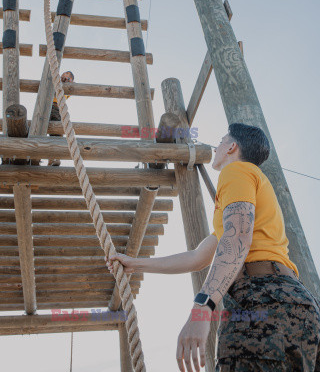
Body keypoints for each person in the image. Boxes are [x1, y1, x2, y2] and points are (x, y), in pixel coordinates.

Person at [107, 123, 320, 371]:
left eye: (221, 140)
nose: (216, 147)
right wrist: (137, 264)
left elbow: (237, 239)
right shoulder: (250, 190)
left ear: (232, 147)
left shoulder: (236, 172)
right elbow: (198, 257)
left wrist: (202, 309)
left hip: (261, 300)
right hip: (299, 306)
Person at [48, 70, 74, 167]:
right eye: (64, 74)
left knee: (56, 134)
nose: (64, 76)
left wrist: (66, 81)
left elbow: (68, 87)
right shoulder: (56, 81)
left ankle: (54, 159)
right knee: (39, 130)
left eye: (68, 77)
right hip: (47, 106)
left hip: (57, 108)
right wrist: (60, 79)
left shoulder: (69, 87)